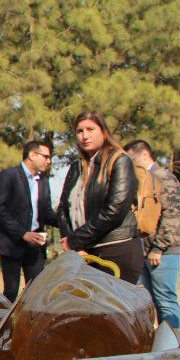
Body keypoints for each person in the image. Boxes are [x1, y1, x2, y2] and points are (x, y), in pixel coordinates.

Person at [58, 111, 142, 284]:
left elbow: (115, 210)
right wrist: (74, 247)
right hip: (83, 254)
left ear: (103, 132)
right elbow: (62, 209)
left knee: (115, 310)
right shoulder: (76, 167)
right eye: (79, 131)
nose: (85, 136)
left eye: (90, 129)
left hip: (116, 250)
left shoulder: (119, 160)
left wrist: (74, 240)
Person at [125, 139, 180, 328]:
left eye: (131, 159)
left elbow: (172, 215)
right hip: (148, 251)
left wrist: (158, 247)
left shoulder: (162, 177)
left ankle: (172, 348)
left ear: (143, 154)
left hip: (164, 252)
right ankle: (162, 348)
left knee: (166, 302)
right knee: (153, 303)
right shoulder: (144, 180)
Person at [0, 141, 58, 302]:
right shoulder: (9, 175)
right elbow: (0, 209)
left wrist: (67, 223)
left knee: (37, 291)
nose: (49, 161)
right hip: (11, 243)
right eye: (46, 156)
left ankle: (29, 325)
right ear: (32, 155)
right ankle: (6, 326)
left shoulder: (43, 181)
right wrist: (22, 234)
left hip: (35, 245)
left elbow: (47, 213)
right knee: (11, 292)